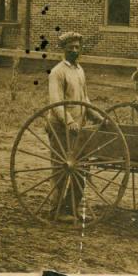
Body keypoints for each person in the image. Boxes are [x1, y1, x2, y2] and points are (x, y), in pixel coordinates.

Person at [46, 31, 89, 220]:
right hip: (60, 126)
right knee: (61, 169)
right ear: (63, 49)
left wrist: (96, 116)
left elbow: (84, 98)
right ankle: (55, 210)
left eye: (77, 47)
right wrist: (69, 121)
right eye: (70, 47)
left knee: (82, 169)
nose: (74, 50)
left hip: (78, 128)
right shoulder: (57, 72)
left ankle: (71, 208)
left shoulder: (79, 70)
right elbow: (56, 102)